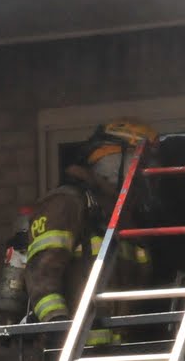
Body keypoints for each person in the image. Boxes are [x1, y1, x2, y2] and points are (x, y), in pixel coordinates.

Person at [22, 120, 157, 345]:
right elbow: (42, 271)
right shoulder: (67, 203)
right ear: (116, 163)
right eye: (140, 164)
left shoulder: (123, 217)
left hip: (124, 354)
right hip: (79, 356)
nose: (145, 175)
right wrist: (58, 325)